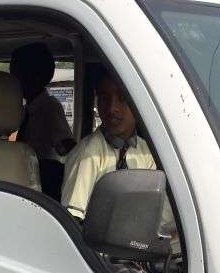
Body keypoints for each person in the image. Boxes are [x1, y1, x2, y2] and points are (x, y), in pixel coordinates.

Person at [62, 71, 158, 221]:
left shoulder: (147, 153)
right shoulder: (89, 154)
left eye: (122, 98)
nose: (112, 108)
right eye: (104, 98)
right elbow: (72, 218)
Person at [10, 42, 75, 197]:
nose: (12, 81)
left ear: (31, 76)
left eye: (15, 75)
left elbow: (67, 148)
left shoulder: (49, 107)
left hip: (42, 182)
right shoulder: (27, 109)